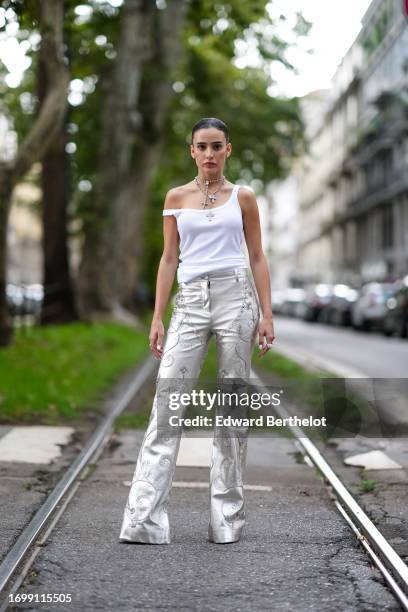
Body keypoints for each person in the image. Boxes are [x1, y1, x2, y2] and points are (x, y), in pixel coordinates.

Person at [119, 117, 275, 545]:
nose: (209, 154)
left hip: (236, 300)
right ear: (191, 151)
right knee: (167, 406)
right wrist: (157, 316)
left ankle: (226, 521)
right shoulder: (175, 198)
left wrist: (266, 313)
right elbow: (169, 259)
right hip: (188, 303)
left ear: (228, 149)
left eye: (216, 146)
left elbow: (257, 256)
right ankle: (144, 521)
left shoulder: (243, 198)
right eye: (201, 147)